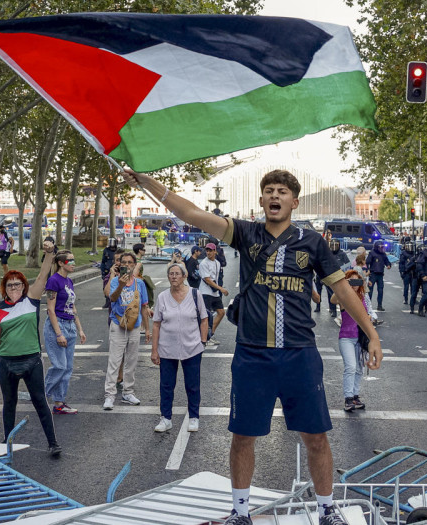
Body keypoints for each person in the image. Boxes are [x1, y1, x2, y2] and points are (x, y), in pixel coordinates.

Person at [122, 167, 380, 525]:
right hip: (252, 354)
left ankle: (327, 511)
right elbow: (191, 213)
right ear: (261, 200)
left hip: (300, 354)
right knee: (243, 436)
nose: (275, 196)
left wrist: (372, 334)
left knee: (316, 437)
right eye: (270, 191)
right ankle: (239, 513)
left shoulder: (312, 242)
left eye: (283, 192)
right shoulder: (245, 233)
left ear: (295, 201)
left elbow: (342, 289)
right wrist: (147, 183)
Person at [0, 242, 61, 457]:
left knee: (40, 402)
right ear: (5, 288)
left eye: (18, 285)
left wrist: (49, 253)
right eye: (10, 285)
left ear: (24, 287)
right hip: (7, 363)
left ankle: (52, 442)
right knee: (9, 404)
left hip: (31, 361)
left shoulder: (31, 301)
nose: (14, 288)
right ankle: (7, 442)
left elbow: (42, 276)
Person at [151, 263, 209, 432]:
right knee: (166, 385)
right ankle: (165, 418)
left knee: (192, 385)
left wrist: (202, 342)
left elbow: (204, 319)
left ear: (184, 276)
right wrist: (154, 350)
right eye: (171, 274)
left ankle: (194, 417)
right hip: (167, 348)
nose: (174, 276)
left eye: (177, 274)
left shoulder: (195, 294)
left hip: (192, 347)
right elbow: (156, 325)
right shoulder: (162, 297)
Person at [104, 251, 150, 410]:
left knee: (131, 361)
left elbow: (144, 306)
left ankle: (128, 392)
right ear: (120, 265)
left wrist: (148, 329)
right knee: (115, 361)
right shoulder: (116, 281)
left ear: (134, 264)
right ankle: (109, 395)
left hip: (135, 326)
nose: (128, 266)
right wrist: (121, 285)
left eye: (131, 263)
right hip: (118, 324)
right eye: (125, 263)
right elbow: (112, 298)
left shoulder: (140, 283)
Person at [44, 251, 86, 415]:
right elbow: (50, 309)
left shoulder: (69, 281)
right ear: (61, 263)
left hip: (70, 325)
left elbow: (72, 307)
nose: (73, 263)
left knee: (67, 367)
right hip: (57, 325)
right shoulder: (53, 281)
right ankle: (41, 393)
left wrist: (80, 328)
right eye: (70, 260)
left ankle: (59, 403)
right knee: (59, 366)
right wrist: (58, 333)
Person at [332, 271, 370, 412]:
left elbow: (368, 315)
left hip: (360, 338)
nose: (354, 284)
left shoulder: (363, 298)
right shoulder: (344, 299)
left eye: (356, 281)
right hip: (346, 338)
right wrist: (344, 286)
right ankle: (348, 398)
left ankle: (355, 396)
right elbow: (333, 299)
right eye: (351, 281)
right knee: (350, 367)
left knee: (359, 368)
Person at [365, 242, 391, 311]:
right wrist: (367, 270)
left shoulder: (383, 254)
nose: (382, 249)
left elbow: (387, 261)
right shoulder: (372, 253)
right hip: (373, 274)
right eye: (381, 247)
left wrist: (388, 265)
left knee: (380, 290)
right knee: (370, 291)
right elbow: (367, 262)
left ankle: (379, 305)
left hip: (380, 274)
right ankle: (368, 306)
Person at [399, 241, 417, 307]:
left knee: (413, 287)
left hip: (412, 272)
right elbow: (401, 264)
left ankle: (413, 298)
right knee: (406, 286)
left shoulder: (414, 254)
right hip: (406, 272)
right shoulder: (403, 254)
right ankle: (405, 298)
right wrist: (402, 272)